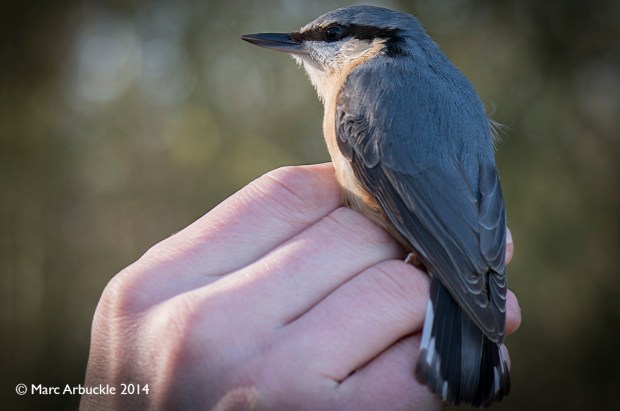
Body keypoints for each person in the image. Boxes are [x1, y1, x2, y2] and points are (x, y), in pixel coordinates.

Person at [81, 163, 521, 410]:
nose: (307, 48)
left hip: (443, 249)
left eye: (331, 36)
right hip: (477, 240)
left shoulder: (361, 90)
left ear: (378, 45)